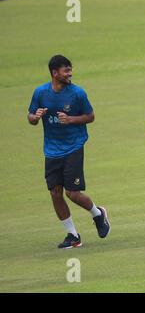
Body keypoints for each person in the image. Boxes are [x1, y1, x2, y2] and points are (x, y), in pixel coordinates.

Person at [28, 55, 110, 249]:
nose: (70, 73)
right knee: (55, 193)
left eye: (70, 70)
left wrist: (71, 119)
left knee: (72, 193)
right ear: (54, 73)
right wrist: (35, 117)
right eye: (66, 71)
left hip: (73, 146)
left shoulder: (77, 93)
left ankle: (98, 214)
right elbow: (30, 117)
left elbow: (90, 116)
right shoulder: (40, 93)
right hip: (51, 150)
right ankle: (72, 235)